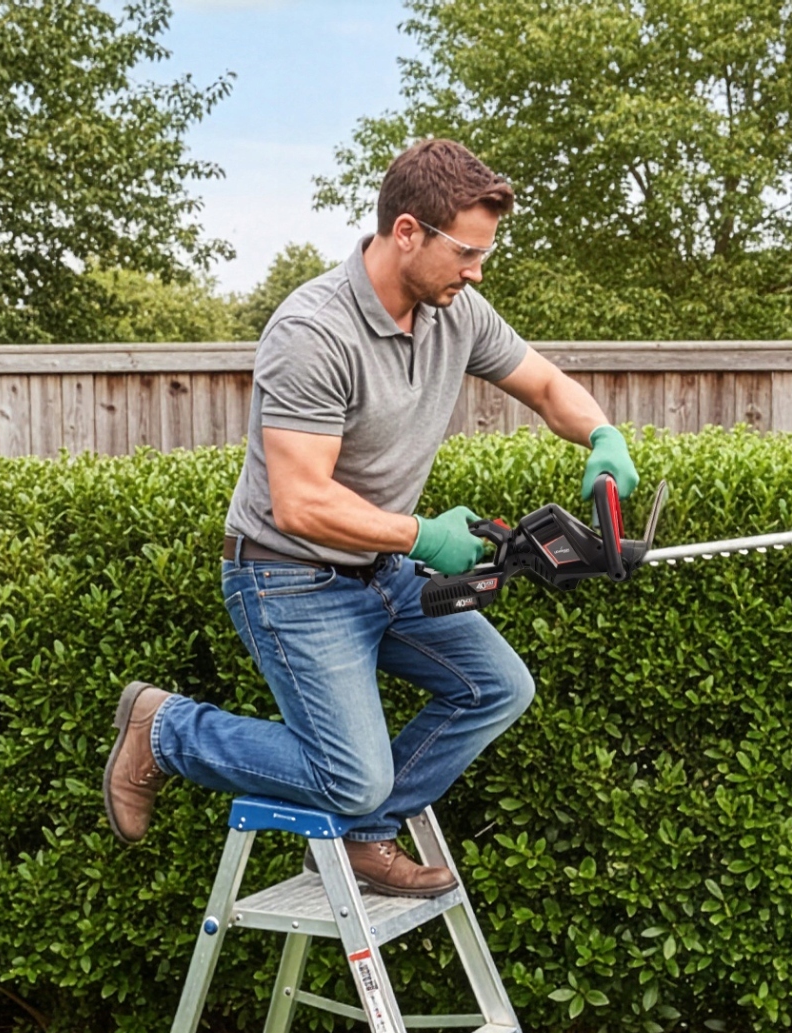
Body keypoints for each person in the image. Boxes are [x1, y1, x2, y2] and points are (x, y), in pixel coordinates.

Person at [101, 138, 637, 897]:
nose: (478, 270)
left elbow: (549, 387)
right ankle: (166, 729)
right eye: (467, 252)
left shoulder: (457, 313)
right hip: (286, 578)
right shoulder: (313, 332)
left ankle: (361, 833)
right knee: (351, 776)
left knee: (497, 689)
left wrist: (602, 436)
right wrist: (425, 536)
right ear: (408, 231)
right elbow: (301, 502)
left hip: (381, 570)